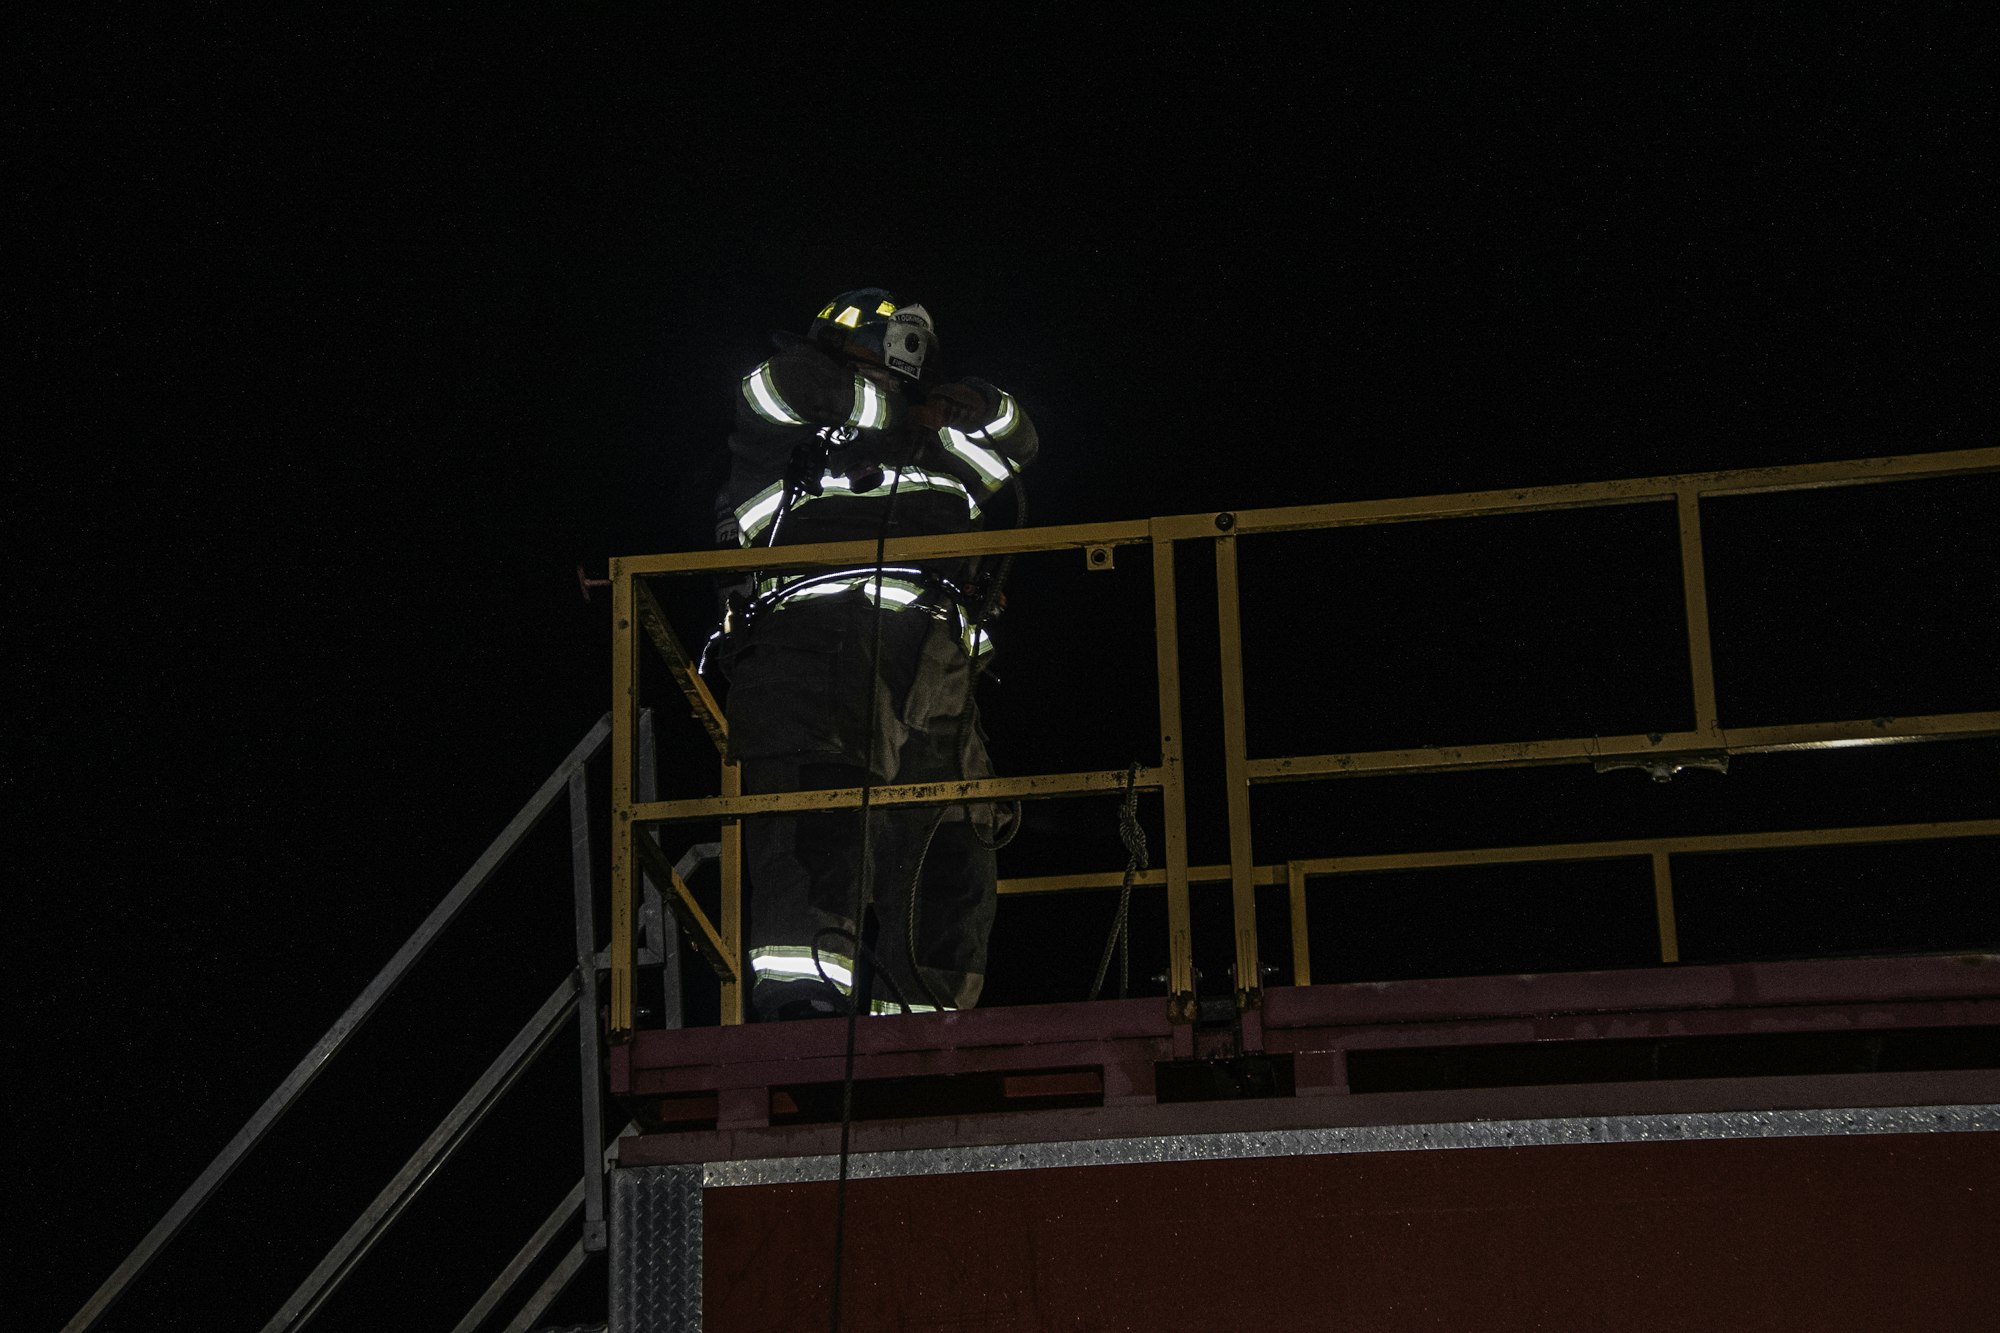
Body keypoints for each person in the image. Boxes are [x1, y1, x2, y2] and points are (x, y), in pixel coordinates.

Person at [712, 289, 1038, 1021]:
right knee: (822, 826)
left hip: (938, 667)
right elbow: (798, 383)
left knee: (954, 844)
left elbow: (1020, 440)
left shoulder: (941, 437)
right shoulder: (791, 399)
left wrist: (973, 401)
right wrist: (899, 410)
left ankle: (930, 1024)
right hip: (814, 647)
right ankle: (807, 1008)